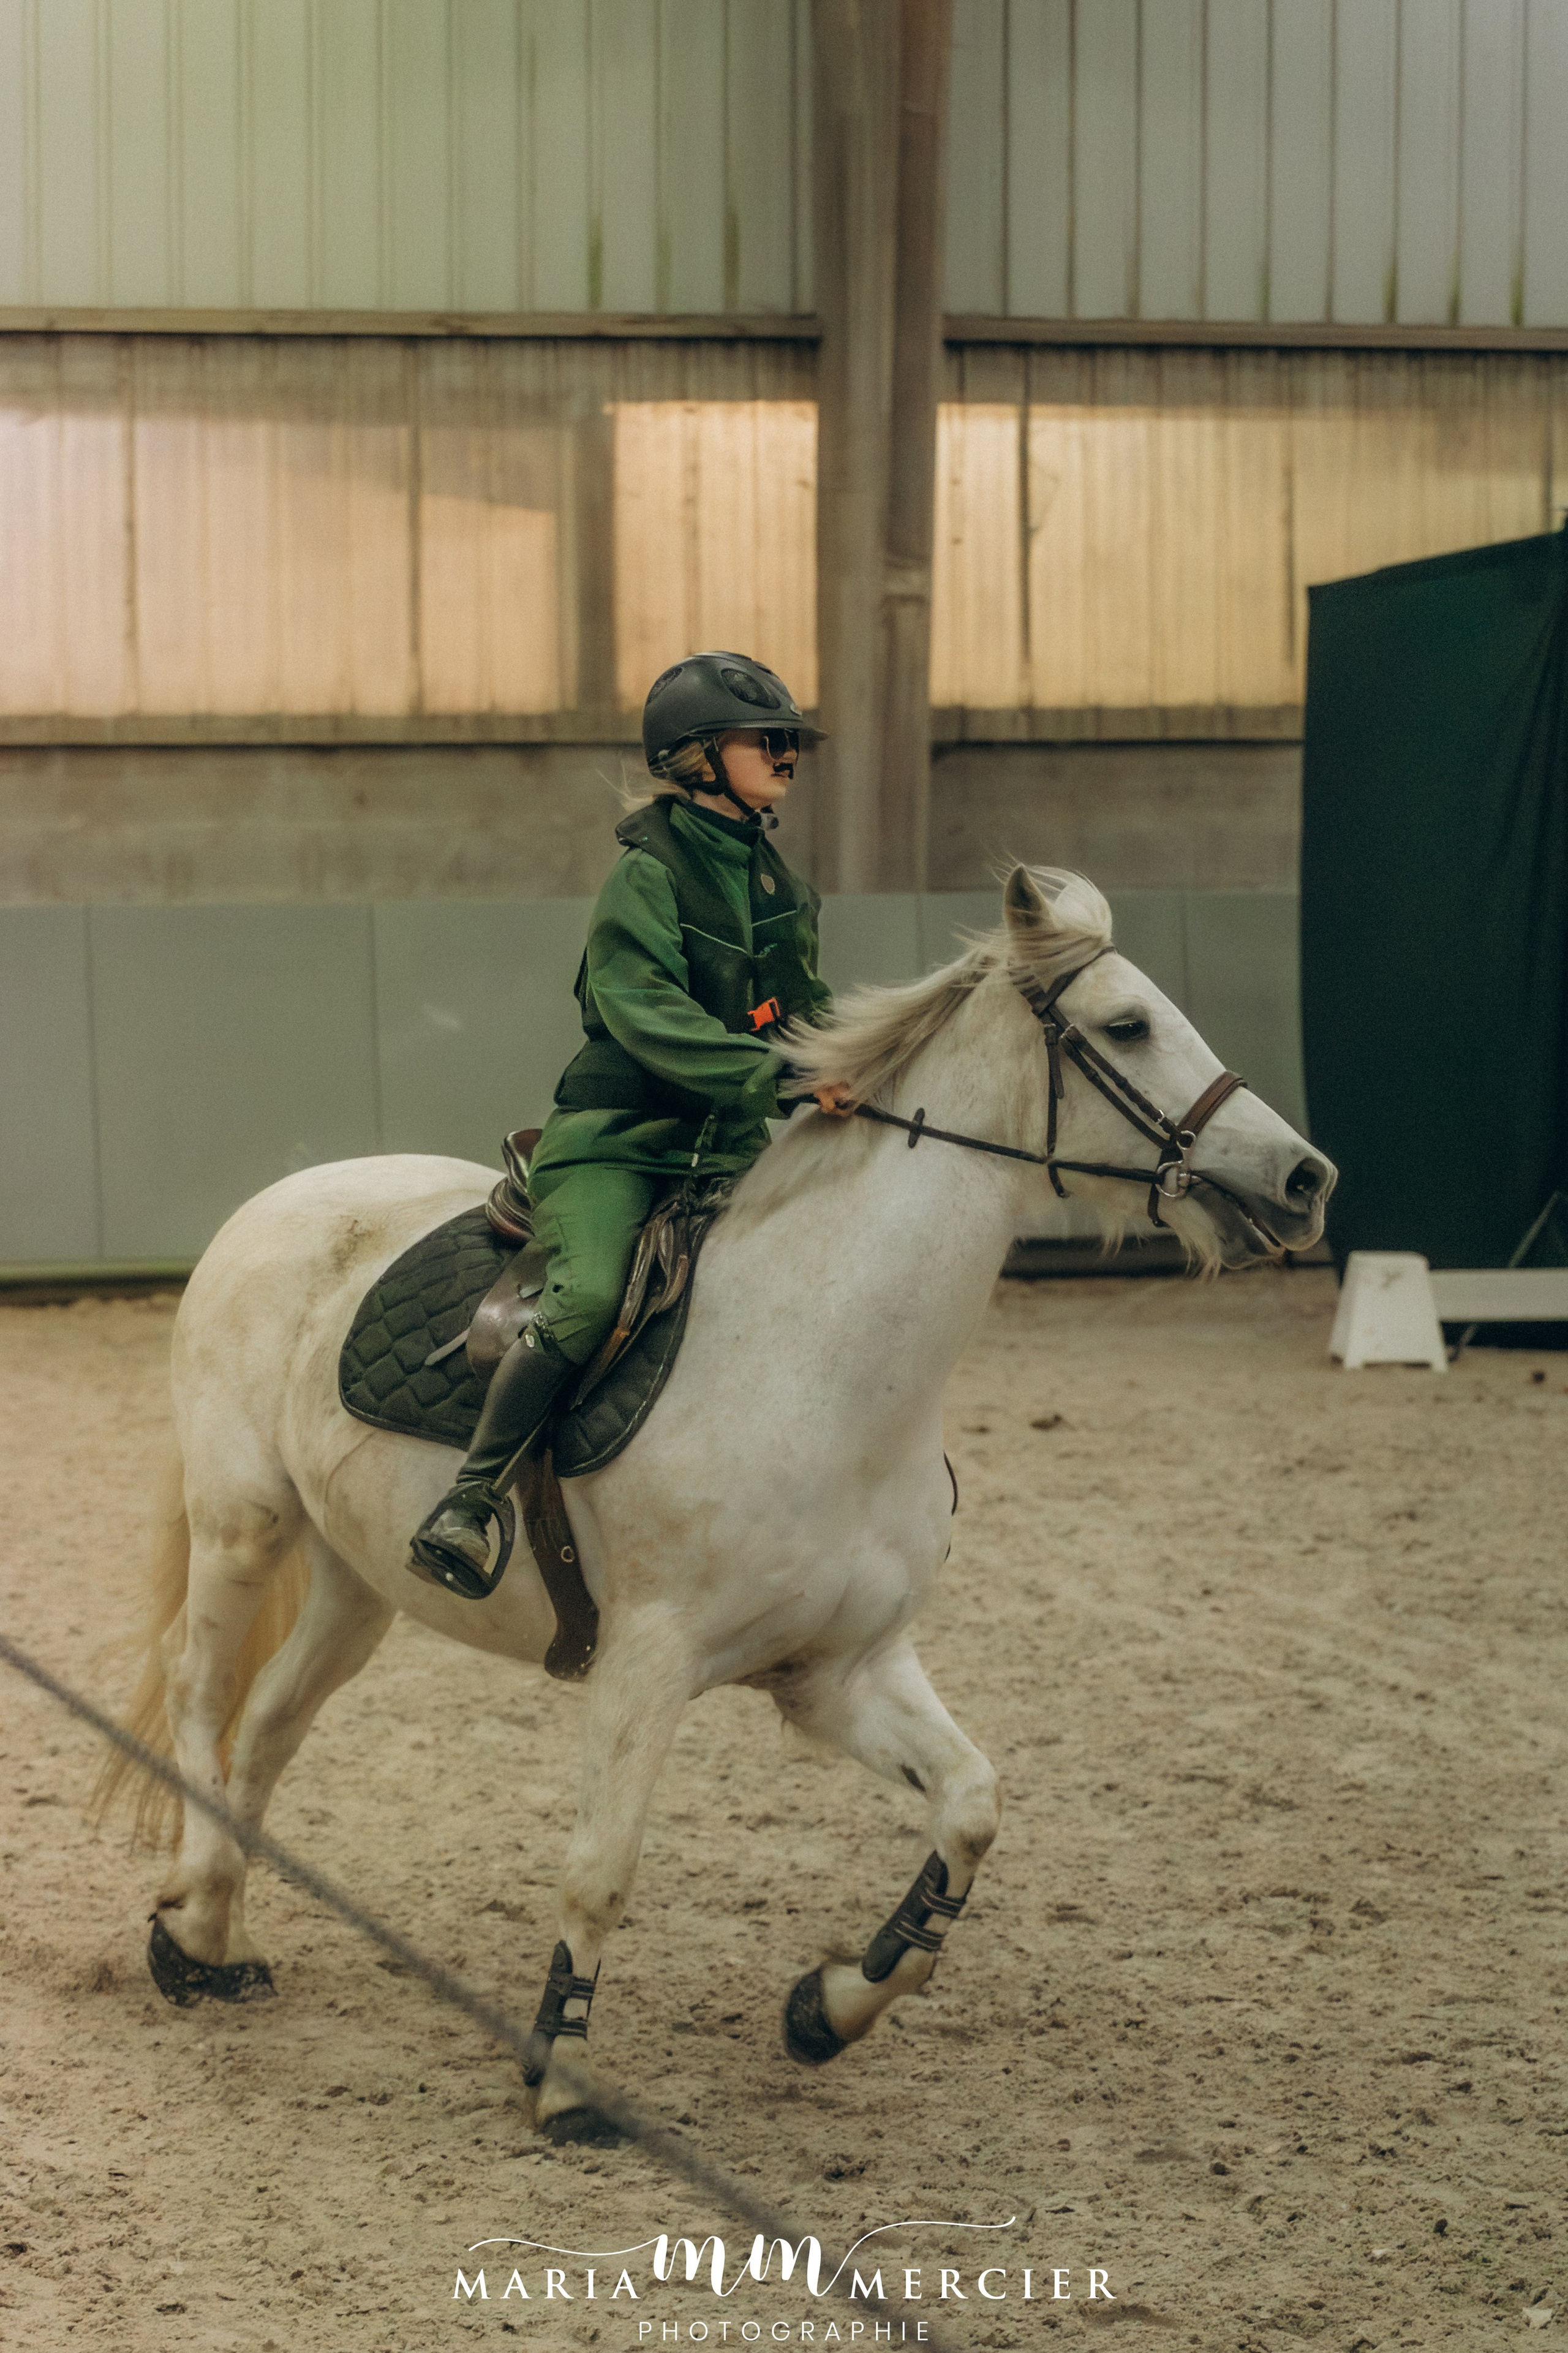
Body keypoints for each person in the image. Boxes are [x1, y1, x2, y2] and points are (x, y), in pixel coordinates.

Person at [410, 651, 853, 1598]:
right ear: (696, 756)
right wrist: (778, 1071)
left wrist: (847, 1062)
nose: (788, 753)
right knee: (586, 1297)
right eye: (765, 739)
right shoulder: (645, 876)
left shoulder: (782, 886)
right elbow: (644, 1010)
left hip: (729, 1151)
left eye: (791, 740)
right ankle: (470, 1498)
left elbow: (804, 1005)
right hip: (620, 1143)